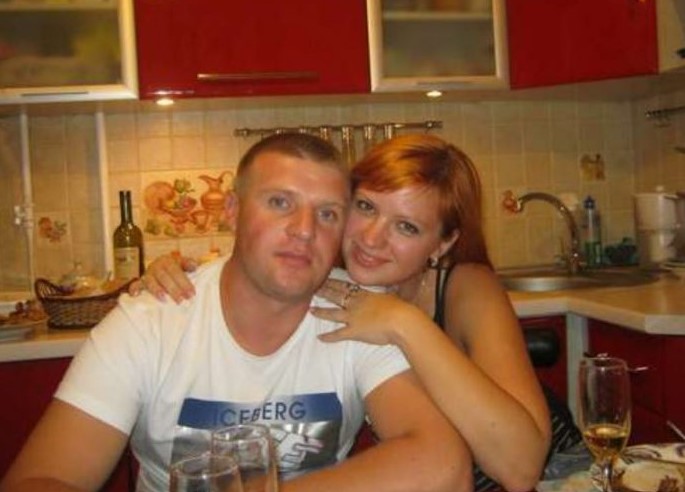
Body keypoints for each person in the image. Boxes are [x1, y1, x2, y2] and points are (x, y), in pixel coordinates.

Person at [0, 133, 471, 492]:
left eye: (327, 213)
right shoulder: (150, 321)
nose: (304, 230)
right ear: (232, 210)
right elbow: (38, 480)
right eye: (280, 203)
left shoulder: (358, 314)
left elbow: (444, 466)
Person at [135, 134, 578, 491]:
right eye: (365, 207)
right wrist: (171, 276)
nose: (371, 238)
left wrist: (402, 322)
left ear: (442, 243)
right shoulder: (325, 278)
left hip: (560, 477)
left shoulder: (467, 287)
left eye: (406, 226)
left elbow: (521, 469)